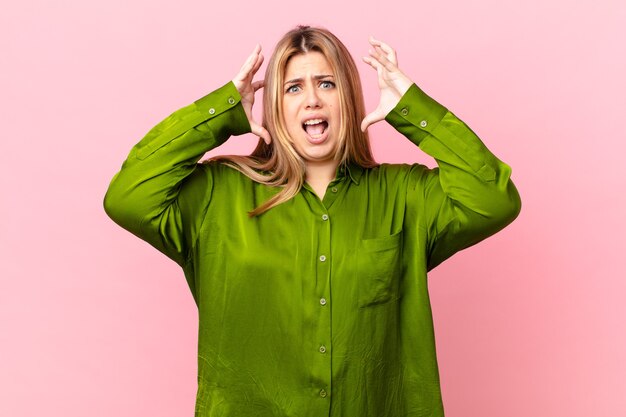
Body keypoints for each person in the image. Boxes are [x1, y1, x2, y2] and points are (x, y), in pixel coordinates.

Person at [104, 25, 521, 417]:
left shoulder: (405, 195)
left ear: (348, 98)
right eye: (293, 88)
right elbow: (129, 196)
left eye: (326, 83)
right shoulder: (218, 193)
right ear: (275, 107)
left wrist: (413, 110)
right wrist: (221, 113)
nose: (312, 100)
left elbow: (493, 199)